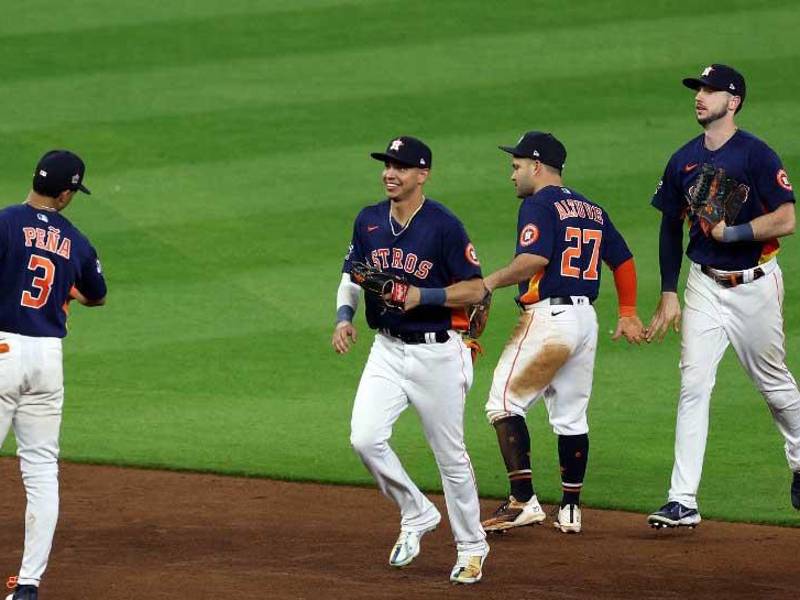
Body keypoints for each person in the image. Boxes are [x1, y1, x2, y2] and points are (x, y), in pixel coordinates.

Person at [646, 64, 800, 528]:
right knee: (693, 386)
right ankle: (682, 499)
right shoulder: (682, 160)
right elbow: (670, 226)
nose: (700, 96)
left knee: (774, 387)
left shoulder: (757, 155)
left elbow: (787, 218)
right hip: (704, 285)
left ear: (733, 102)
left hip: (755, 285)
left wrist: (732, 231)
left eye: (710, 91)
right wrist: (669, 290)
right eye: (698, 89)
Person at [331, 136, 490, 584]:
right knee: (365, 437)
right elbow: (353, 275)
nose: (390, 173)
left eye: (400, 166)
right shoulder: (368, 221)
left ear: (423, 174)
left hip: (437, 354)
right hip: (386, 349)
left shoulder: (443, 226)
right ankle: (417, 511)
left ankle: (472, 547)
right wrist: (345, 318)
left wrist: (425, 295)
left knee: (450, 456)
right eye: (386, 164)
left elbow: (476, 288)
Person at [472, 131, 644, 535]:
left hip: (550, 321)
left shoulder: (539, 203)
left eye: (516, 167)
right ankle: (570, 508)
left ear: (536, 166)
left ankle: (522, 500)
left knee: (502, 403)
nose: (512, 175)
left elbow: (534, 258)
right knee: (570, 416)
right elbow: (623, 260)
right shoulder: (592, 209)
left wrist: (490, 281)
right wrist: (628, 312)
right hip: (586, 323)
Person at [0, 150, 107, 600]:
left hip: (2, 350)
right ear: (65, 194)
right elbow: (96, 295)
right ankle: (27, 586)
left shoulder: (4, 222)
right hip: (47, 357)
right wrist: (72, 293)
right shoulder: (77, 241)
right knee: (42, 469)